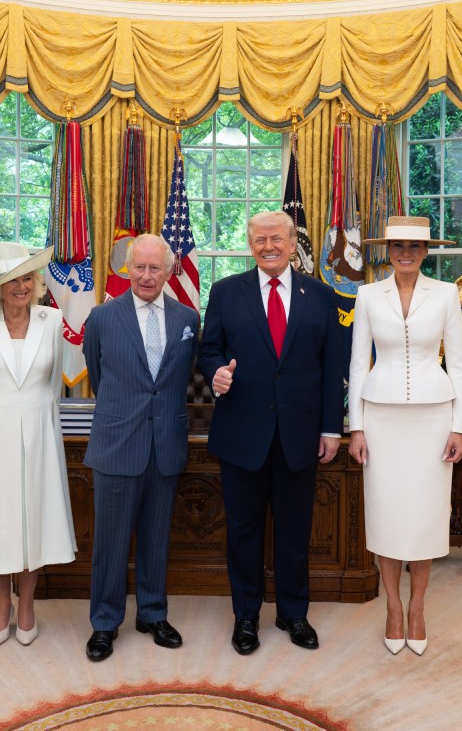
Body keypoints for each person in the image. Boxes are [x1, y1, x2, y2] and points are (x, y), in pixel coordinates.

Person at [199, 210, 343, 656]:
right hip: (243, 432)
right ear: (250, 243)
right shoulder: (225, 292)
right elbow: (209, 351)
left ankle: (293, 613)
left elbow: (333, 366)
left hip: (300, 435)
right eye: (259, 239)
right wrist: (217, 373)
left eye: (276, 238)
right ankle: (246, 616)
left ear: (292, 240)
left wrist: (331, 429)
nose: (268, 246)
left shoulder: (321, 295)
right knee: (242, 531)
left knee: (295, 529)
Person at [347, 215, 462, 656]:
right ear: (387, 250)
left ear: (426, 252)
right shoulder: (366, 294)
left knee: (424, 516)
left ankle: (418, 607)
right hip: (380, 419)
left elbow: (458, 363)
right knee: (387, 514)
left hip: (434, 418)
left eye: (414, 247)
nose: (405, 253)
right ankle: (393, 607)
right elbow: (359, 364)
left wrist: (459, 426)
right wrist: (355, 427)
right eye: (398, 245)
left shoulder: (447, 293)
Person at [81, 234, 200, 662]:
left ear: (170, 271)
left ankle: (152, 613)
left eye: (156, 268)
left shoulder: (188, 317)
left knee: (156, 538)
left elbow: (181, 378)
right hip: (117, 444)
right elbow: (98, 374)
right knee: (110, 543)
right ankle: (105, 623)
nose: (147, 276)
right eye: (140, 267)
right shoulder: (101, 318)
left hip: (165, 443)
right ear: (126, 268)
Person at [0, 242, 77, 648]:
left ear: (37, 283)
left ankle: (26, 606)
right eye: (11, 280)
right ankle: (0, 605)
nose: (20, 286)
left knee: (33, 519)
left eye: (26, 278)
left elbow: (54, 382)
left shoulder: (52, 320)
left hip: (39, 433)